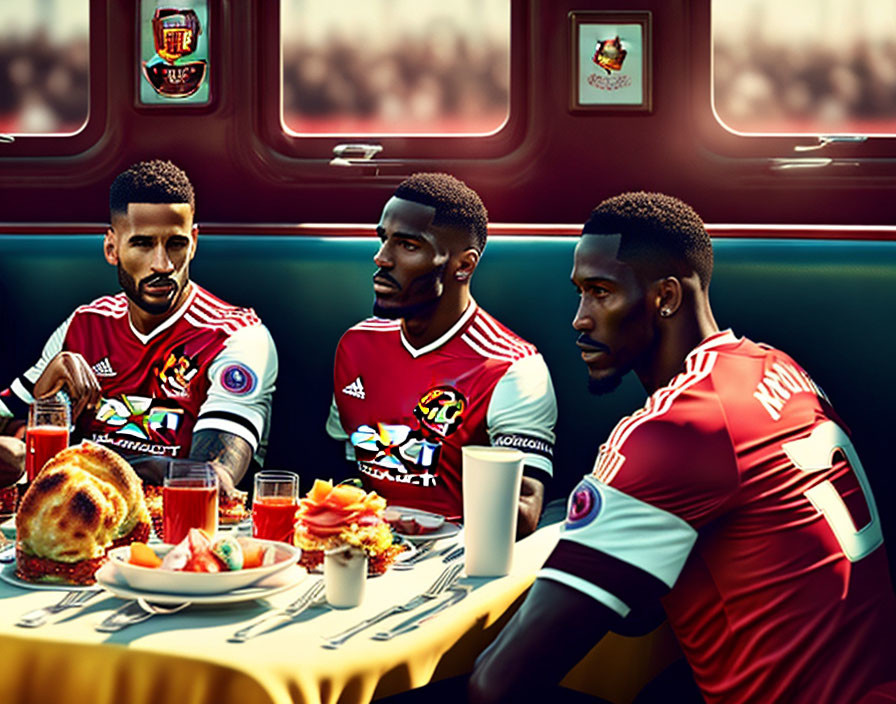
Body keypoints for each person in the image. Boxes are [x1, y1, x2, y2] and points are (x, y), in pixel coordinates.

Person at [469, 192, 896, 703]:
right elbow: (645, 606)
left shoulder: (674, 428)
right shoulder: (778, 366)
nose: (580, 318)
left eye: (601, 292)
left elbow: (497, 685)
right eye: (580, 293)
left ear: (665, 297)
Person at [0, 160, 277, 493]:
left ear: (194, 242)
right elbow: (9, 431)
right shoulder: (84, 324)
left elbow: (213, 479)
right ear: (112, 248)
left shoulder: (236, 337)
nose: (162, 264)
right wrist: (45, 390)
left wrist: (75, 465)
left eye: (175, 244)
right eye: (143, 244)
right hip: (77, 522)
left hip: (177, 531)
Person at [326, 172, 557, 536]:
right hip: (366, 549)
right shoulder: (355, 345)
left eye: (408, 246)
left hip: (462, 560)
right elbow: (343, 472)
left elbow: (525, 513)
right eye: (383, 240)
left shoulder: (512, 368)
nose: (381, 258)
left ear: (463, 266)